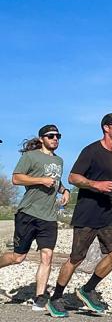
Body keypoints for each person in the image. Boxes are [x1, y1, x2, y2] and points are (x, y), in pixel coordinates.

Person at [46, 113, 112, 318]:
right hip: (87, 212)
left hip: (107, 212)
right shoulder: (91, 151)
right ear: (106, 128)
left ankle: (88, 289)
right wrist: (95, 184)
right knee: (76, 258)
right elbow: (73, 177)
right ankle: (56, 297)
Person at [0, 125, 69, 311]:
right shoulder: (30, 157)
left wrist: (64, 190)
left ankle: (39, 297)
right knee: (18, 257)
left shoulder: (60, 161)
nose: (55, 139)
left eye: (58, 136)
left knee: (47, 255)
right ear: (41, 139)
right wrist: (40, 180)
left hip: (48, 216)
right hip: (28, 213)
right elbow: (16, 179)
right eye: (51, 136)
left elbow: (56, 179)